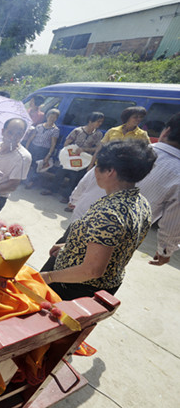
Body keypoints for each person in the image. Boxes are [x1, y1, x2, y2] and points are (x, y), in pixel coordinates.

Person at [40, 141, 157, 300]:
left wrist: (48, 277)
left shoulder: (109, 213)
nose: (94, 170)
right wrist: (69, 247)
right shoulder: (141, 202)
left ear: (110, 171)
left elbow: (92, 270)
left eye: (97, 165)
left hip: (74, 289)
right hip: (105, 284)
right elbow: (113, 245)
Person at [137, 114, 180, 265]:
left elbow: (90, 179)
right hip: (123, 237)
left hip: (84, 220)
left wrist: (74, 200)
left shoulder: (134, 149)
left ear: (166, 131)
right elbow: (173, 223)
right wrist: (165, 250)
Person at [41, 112, 104, 200]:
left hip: (82, 160)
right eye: (98, 121)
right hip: (70, 157)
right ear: (90, 121)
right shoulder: (78, 130)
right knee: (60, 174)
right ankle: (52, 190)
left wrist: (84, 149)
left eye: (101, 122)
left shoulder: (98, 134)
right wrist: (74, 149)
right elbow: (67, 143)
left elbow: (97, 148)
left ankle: (67, 196)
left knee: (74, 178)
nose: (100, 124)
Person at [0, 118, 32, 218]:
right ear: (3, 132)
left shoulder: (24, 157)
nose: (13, 137)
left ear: (23, 135)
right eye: (10, 132)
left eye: (18, 134)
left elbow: (12, 185)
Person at [24, 109, 60, 189]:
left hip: (43, 150)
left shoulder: (55, 130)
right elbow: (31, 138)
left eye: (54, 117)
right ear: (47, 117)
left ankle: (31, 182)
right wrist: (26, 148)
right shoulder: (39, 126)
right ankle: (24, 180)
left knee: (37, 167)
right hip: (33, 147)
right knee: (28, 164)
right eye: (51, 117)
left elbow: (53, 144)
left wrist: (48, 155)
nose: (52, 119)